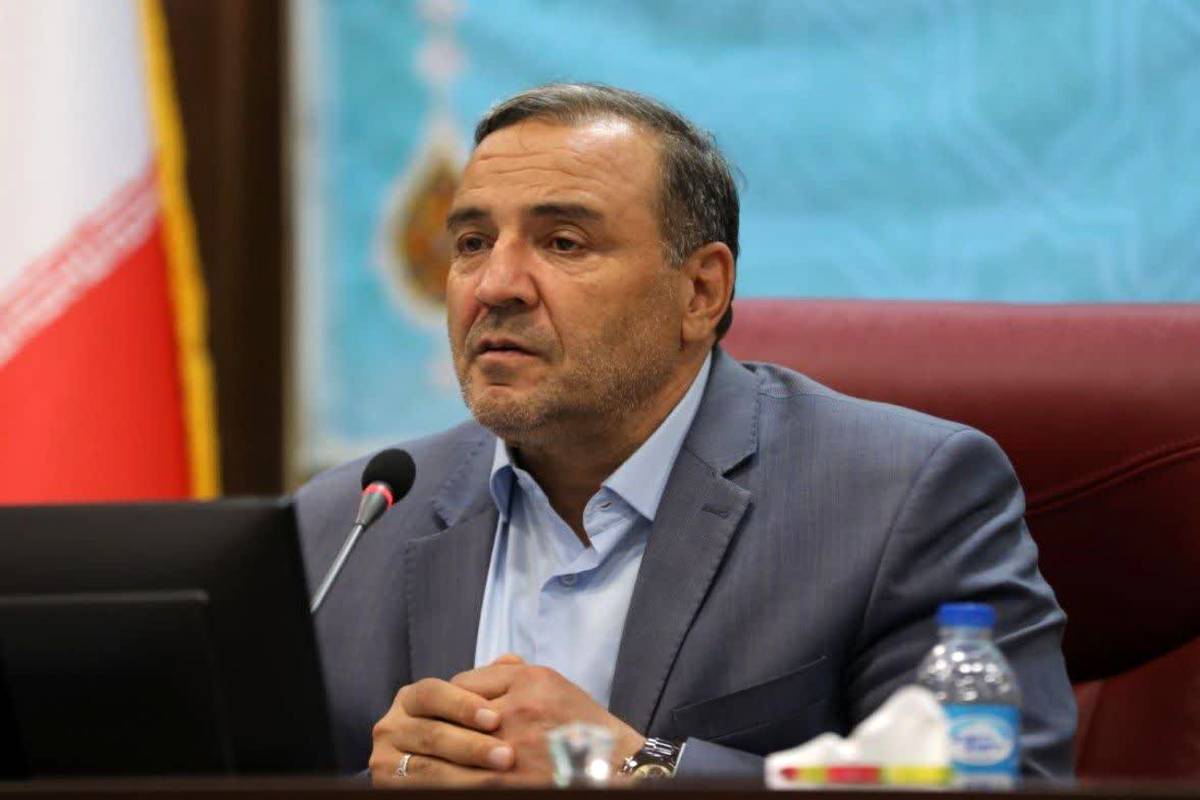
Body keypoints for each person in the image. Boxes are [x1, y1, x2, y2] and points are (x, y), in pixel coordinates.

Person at [295, 83, 1076, 786]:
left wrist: (632, 770)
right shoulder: (347, 525)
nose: (496, 285)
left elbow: (1006, 781)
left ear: (701, 291)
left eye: (564, 242)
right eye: (471, 244)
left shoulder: (900, 498)